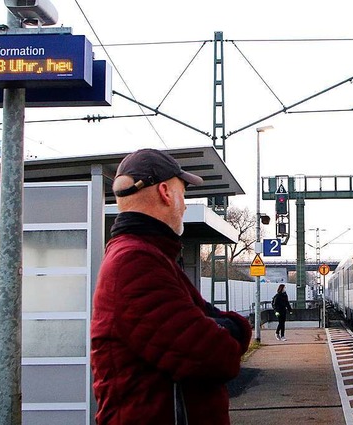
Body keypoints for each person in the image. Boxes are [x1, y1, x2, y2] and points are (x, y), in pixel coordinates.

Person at [91, 148, 252, 425]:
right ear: (165, 192)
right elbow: (214, 356)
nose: (185, 205)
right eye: (183, 193)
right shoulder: (135, 262)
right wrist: (230, 328)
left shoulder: (149, 256)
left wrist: (221, 327)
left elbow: (202, 329)